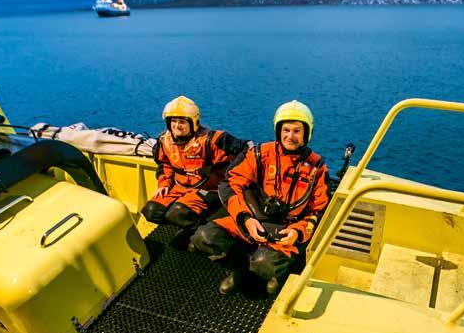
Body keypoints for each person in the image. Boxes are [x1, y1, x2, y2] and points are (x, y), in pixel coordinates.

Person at [191, 100, 329, 295]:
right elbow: (230, 183)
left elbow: (319, 210)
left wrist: (297, 233)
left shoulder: (317, 167)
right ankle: (240, 271)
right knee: (204, 237)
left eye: (297, 131)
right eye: (286, 130)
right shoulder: (261, 153)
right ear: (278, 131)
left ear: (307, 133)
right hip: (253, 219)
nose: (290, 136)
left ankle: (276, 273)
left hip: (286, 231)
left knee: (265, 263)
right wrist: (245, 218)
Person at [141, 95, 247, 245]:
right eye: (173, 121)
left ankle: (200, 233)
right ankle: (188, 224)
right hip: (179, 185)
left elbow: (245, 150)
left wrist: (232, 183)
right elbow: (164, 165)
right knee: (152, 210)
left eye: (182, 122)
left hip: (209, 188)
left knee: (178, 212)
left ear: (194, 123)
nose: (177, 126)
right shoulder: (164, 141)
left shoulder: (211, 140)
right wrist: (164, 184)